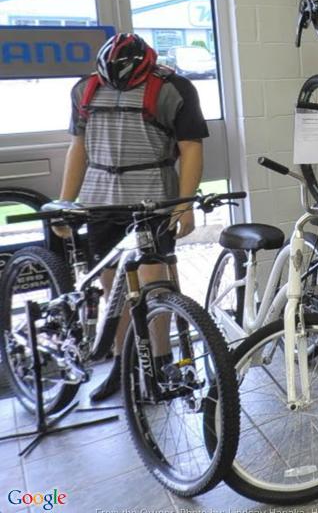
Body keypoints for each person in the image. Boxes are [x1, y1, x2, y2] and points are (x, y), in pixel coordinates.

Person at [51, 32, 208, 400]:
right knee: (114, 291)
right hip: (101, 202)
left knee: (155, 287)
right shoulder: (86, 90)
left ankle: (162, 361)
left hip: (151, 201)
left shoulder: (173, 88)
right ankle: (123, 366)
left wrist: (184, 204)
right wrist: (65, 202)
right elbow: (79, 148)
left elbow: (191, 148)